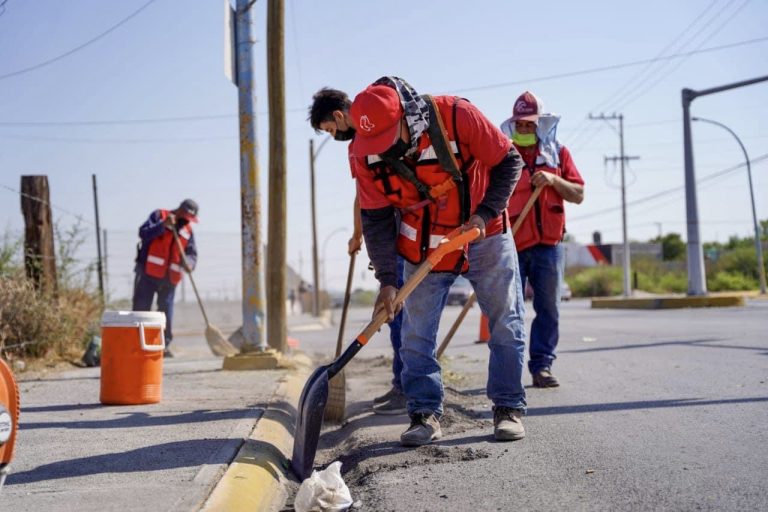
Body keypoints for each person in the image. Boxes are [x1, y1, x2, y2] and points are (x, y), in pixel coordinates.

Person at [347, 76, 526, 446]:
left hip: (483, 233)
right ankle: (424, 413)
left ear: (405, 118)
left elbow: (510, 161)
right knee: (415, 334)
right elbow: (376, 217)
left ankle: (507, 406)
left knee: (505, 322)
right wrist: (386, 280)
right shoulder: (362, 151)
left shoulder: (457, 115)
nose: (382, 149)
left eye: (386, 138)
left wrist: (485, 214)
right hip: (423, 246)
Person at [309, 88, 406, 415]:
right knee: (397, 312)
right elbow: (363, 195)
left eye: (331, 130)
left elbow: (367, 198)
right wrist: (357, 234)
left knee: (398, 310)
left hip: (401, 228)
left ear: (338, 115)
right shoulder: (364, 141)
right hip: (389, 225)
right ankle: (403, 384)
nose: (334, 136)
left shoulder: (369, 137)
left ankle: (407, 388)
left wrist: (361, 233)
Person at [500, 91, 584, 388]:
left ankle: (542, 367)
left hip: (549, 247)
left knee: (548, 308)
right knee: (511, 311)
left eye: (529, 125)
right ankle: (509, 373)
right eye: (519, 125)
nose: (524, 130)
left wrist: (553, 180)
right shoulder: (503, 156)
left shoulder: (559, 154)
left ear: (541, 125)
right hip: (512, 246)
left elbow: (578, 194)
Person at [132, 199, 199, 357]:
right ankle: (136, 343)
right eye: (186, 217)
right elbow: (143, 233)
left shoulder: (188, 231)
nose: (187, 221)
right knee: (141, 310)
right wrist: (162, 226)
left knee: (166, 313)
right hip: (148, 273)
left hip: (170, 279)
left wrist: (189, 263)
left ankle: (164, 345)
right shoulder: (159, 215)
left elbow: (191, 253)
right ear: (180, 211)